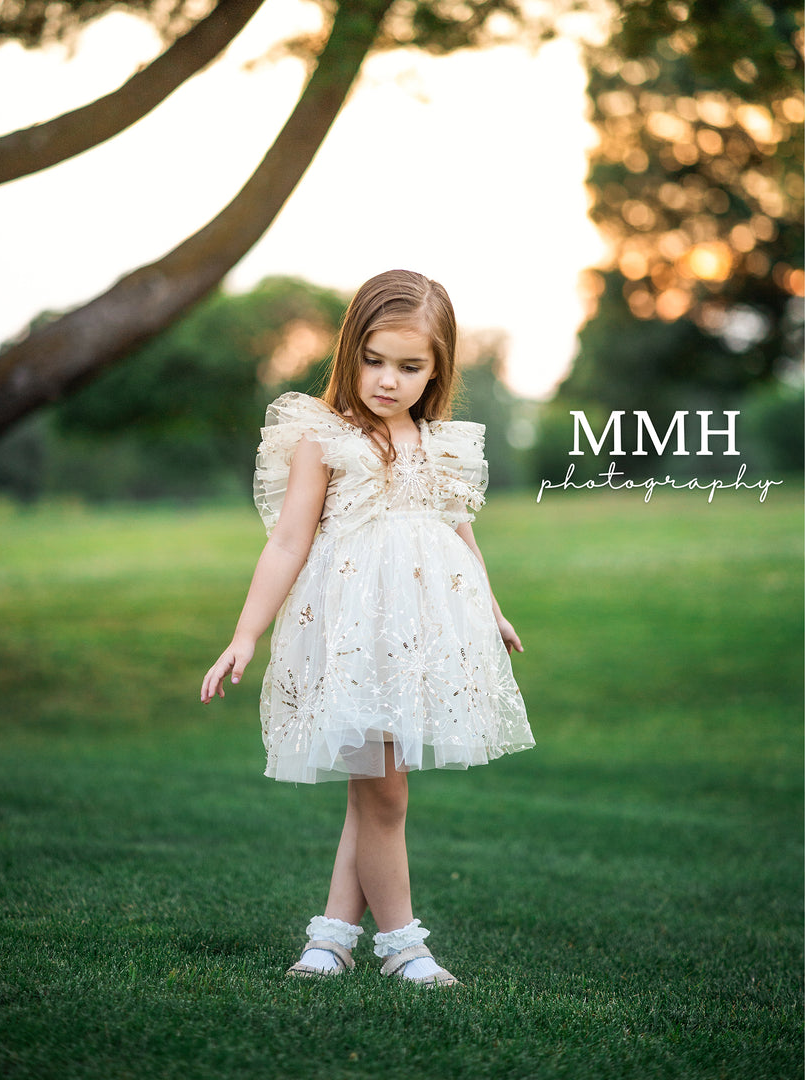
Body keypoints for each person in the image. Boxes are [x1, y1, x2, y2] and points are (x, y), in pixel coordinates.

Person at [201, 269, 534, 986]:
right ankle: (403, 946)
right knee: (383, 793)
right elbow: (288, 542)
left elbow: (458, 534)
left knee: (373, 791)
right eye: (374, 359)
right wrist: (245, 635)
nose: (388, 380)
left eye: (410, 366)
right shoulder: (326, 438)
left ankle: (330, 941)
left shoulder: (438, 443)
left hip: (416, 642)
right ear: (351, 349)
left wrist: (493, 610)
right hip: (352, 637)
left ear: (438, 368)